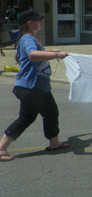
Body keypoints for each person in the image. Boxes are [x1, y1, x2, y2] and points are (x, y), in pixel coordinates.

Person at [0, 10, 70, 162]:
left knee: (51, 112)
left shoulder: (31, 38)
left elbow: (40, 52)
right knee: (26, 118)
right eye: (38, 20)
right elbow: (33, 55)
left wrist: (53, 51)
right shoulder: (27, 39)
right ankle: (1, 148)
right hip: (31, 87)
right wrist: (56, 55)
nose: (41, 22)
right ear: (30, 23)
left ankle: (54, 142)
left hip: (40, 87)